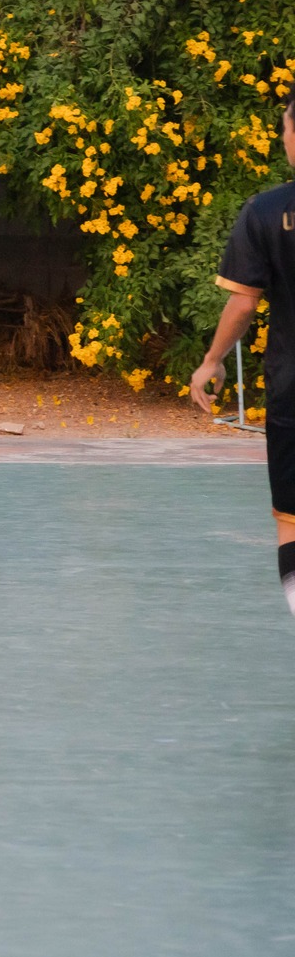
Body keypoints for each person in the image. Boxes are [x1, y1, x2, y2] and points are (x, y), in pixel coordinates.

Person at [190, 85, 295, 613]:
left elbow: (243, 305)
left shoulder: (266, 212)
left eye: (283, 129)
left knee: (293, 515)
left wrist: (210, 363)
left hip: (293, 390)